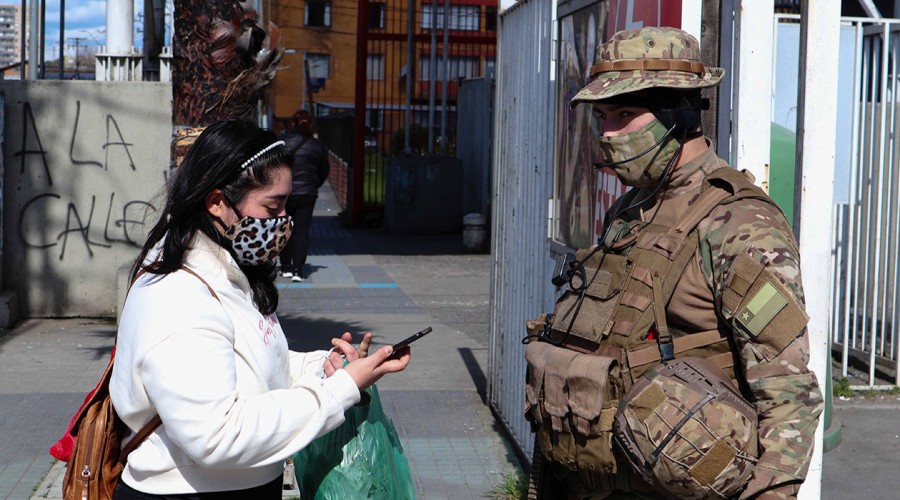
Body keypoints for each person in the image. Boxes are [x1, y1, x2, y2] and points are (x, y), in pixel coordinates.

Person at [524, 27, 823, 499]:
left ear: (680, 116)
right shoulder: (631, 207)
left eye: (625, 114)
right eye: (602, 115)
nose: (607, 133)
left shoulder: (738, 223)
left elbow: (788, 391)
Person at [109, 120, 409, 498]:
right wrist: (340, 390)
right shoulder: (179, 295)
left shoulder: (229, 270)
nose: (284, 220)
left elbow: (253, 363)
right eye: (273, 205)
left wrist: (327, 367)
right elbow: (216, 436)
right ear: (217, 202)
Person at [279, 110, 330, 281]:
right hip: (307, 194)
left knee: (285, 228)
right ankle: (298, 270)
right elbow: (324, 170)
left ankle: (285, 266)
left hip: (284, 193)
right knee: (302, 231)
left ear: (293, 124)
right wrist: (313, 185)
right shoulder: (317, 145)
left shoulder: (282, 142)